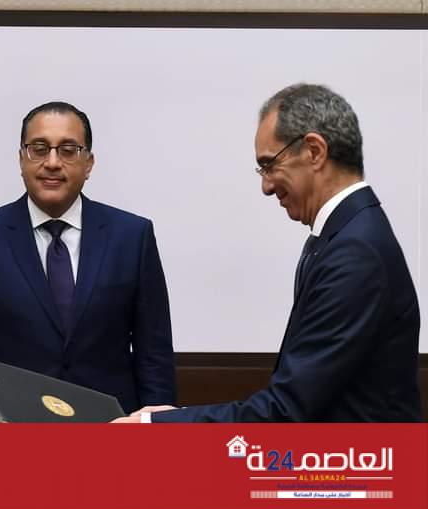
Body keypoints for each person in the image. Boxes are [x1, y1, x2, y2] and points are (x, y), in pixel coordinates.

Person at [115, 83, 422, 423]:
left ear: (314, 151)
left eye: (270, 164)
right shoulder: (347, 234)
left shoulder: (355, 253)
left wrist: (154, 426)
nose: (266, 186)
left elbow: (286, 410)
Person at [0, 101, 176, 413]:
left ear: (89, 163)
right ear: (21, 159)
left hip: (111, 427)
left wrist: (158, 429)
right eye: (39, 149)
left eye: (68, 150)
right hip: (10, 426)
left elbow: (153, 354)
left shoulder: (132, 237)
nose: (52, 162)